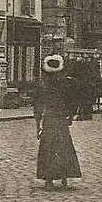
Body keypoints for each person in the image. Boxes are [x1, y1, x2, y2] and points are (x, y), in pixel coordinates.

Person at [35, 54, 82, 190]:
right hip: (60, 119)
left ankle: (49, 178)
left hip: (49, 119)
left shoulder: (42, 86)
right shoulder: (65, 85)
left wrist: (38, 125)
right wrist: (70, 116)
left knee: (48, 148)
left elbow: (37, 107)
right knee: (63, 147)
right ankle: (63, 176)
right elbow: (72, 101)